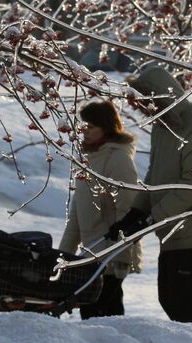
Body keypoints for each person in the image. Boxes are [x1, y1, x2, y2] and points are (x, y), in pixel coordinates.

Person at [108, 67, 192, 323]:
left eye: (143, 103)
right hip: (174, 229)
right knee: (173, 300)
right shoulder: (164, 127)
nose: (140, 110)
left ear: (159, 98)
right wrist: (136, 212)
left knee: (183, 304)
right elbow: (156, 174)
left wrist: (154, 217)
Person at [59, 99, 143, 319]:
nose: (84, 131)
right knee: (93, 315)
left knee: (103, 315)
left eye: (91, 127)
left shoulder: (118, 159)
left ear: (106, 127)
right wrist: (63, 256)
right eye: (82, 126)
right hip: (91, 255)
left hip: (110, 256)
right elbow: (77, 214)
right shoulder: (88, 160)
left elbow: (127, 211)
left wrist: (122, 258)